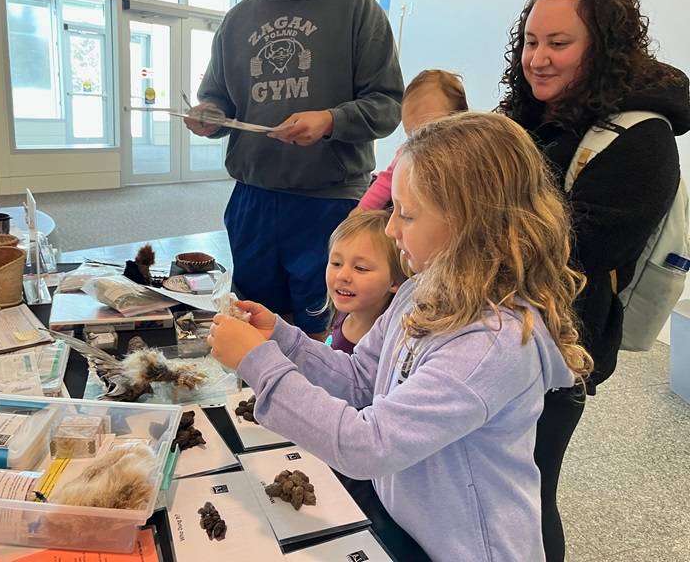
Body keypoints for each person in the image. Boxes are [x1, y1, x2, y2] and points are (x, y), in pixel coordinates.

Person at [208, 112, 593, 561]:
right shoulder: (419, 289)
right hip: (410, 526)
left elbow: (367, 445)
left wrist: (259, 364)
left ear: (468, 224)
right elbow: (359, 379)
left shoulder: (491, 344)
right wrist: (283, 340)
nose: (390, 229)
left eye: (406, 215)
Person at [498, 0, 690, 561]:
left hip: (560, 347)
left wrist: (470, 224)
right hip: (488, 326)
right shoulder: (527, 114)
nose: (539, 58)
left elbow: (575, 253)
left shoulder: (643, 140)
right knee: (479, 477)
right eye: (532, 41)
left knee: (525, 490)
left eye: (560, 43)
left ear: (603, 46)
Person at [184, 0, 403, 339]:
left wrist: (331, 120)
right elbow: (218, 101)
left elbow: (387, 105)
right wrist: (210, 117)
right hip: (253, 198)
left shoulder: (358, 9)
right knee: (255, 317)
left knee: (319, 323)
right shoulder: (238, 20)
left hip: (327, 200)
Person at [352, 69, 468, 215]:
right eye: (413, 135)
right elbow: (386, 181)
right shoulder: (407, 153)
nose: (421, 144)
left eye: (433, 132)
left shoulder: (468, 155)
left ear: (461, 122)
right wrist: (362, 210)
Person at [322, 210, 406, 354]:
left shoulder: (387, 346)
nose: (342, 275)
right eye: (336, 263)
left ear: (395, 282)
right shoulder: (346, 310)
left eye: (360, 268)